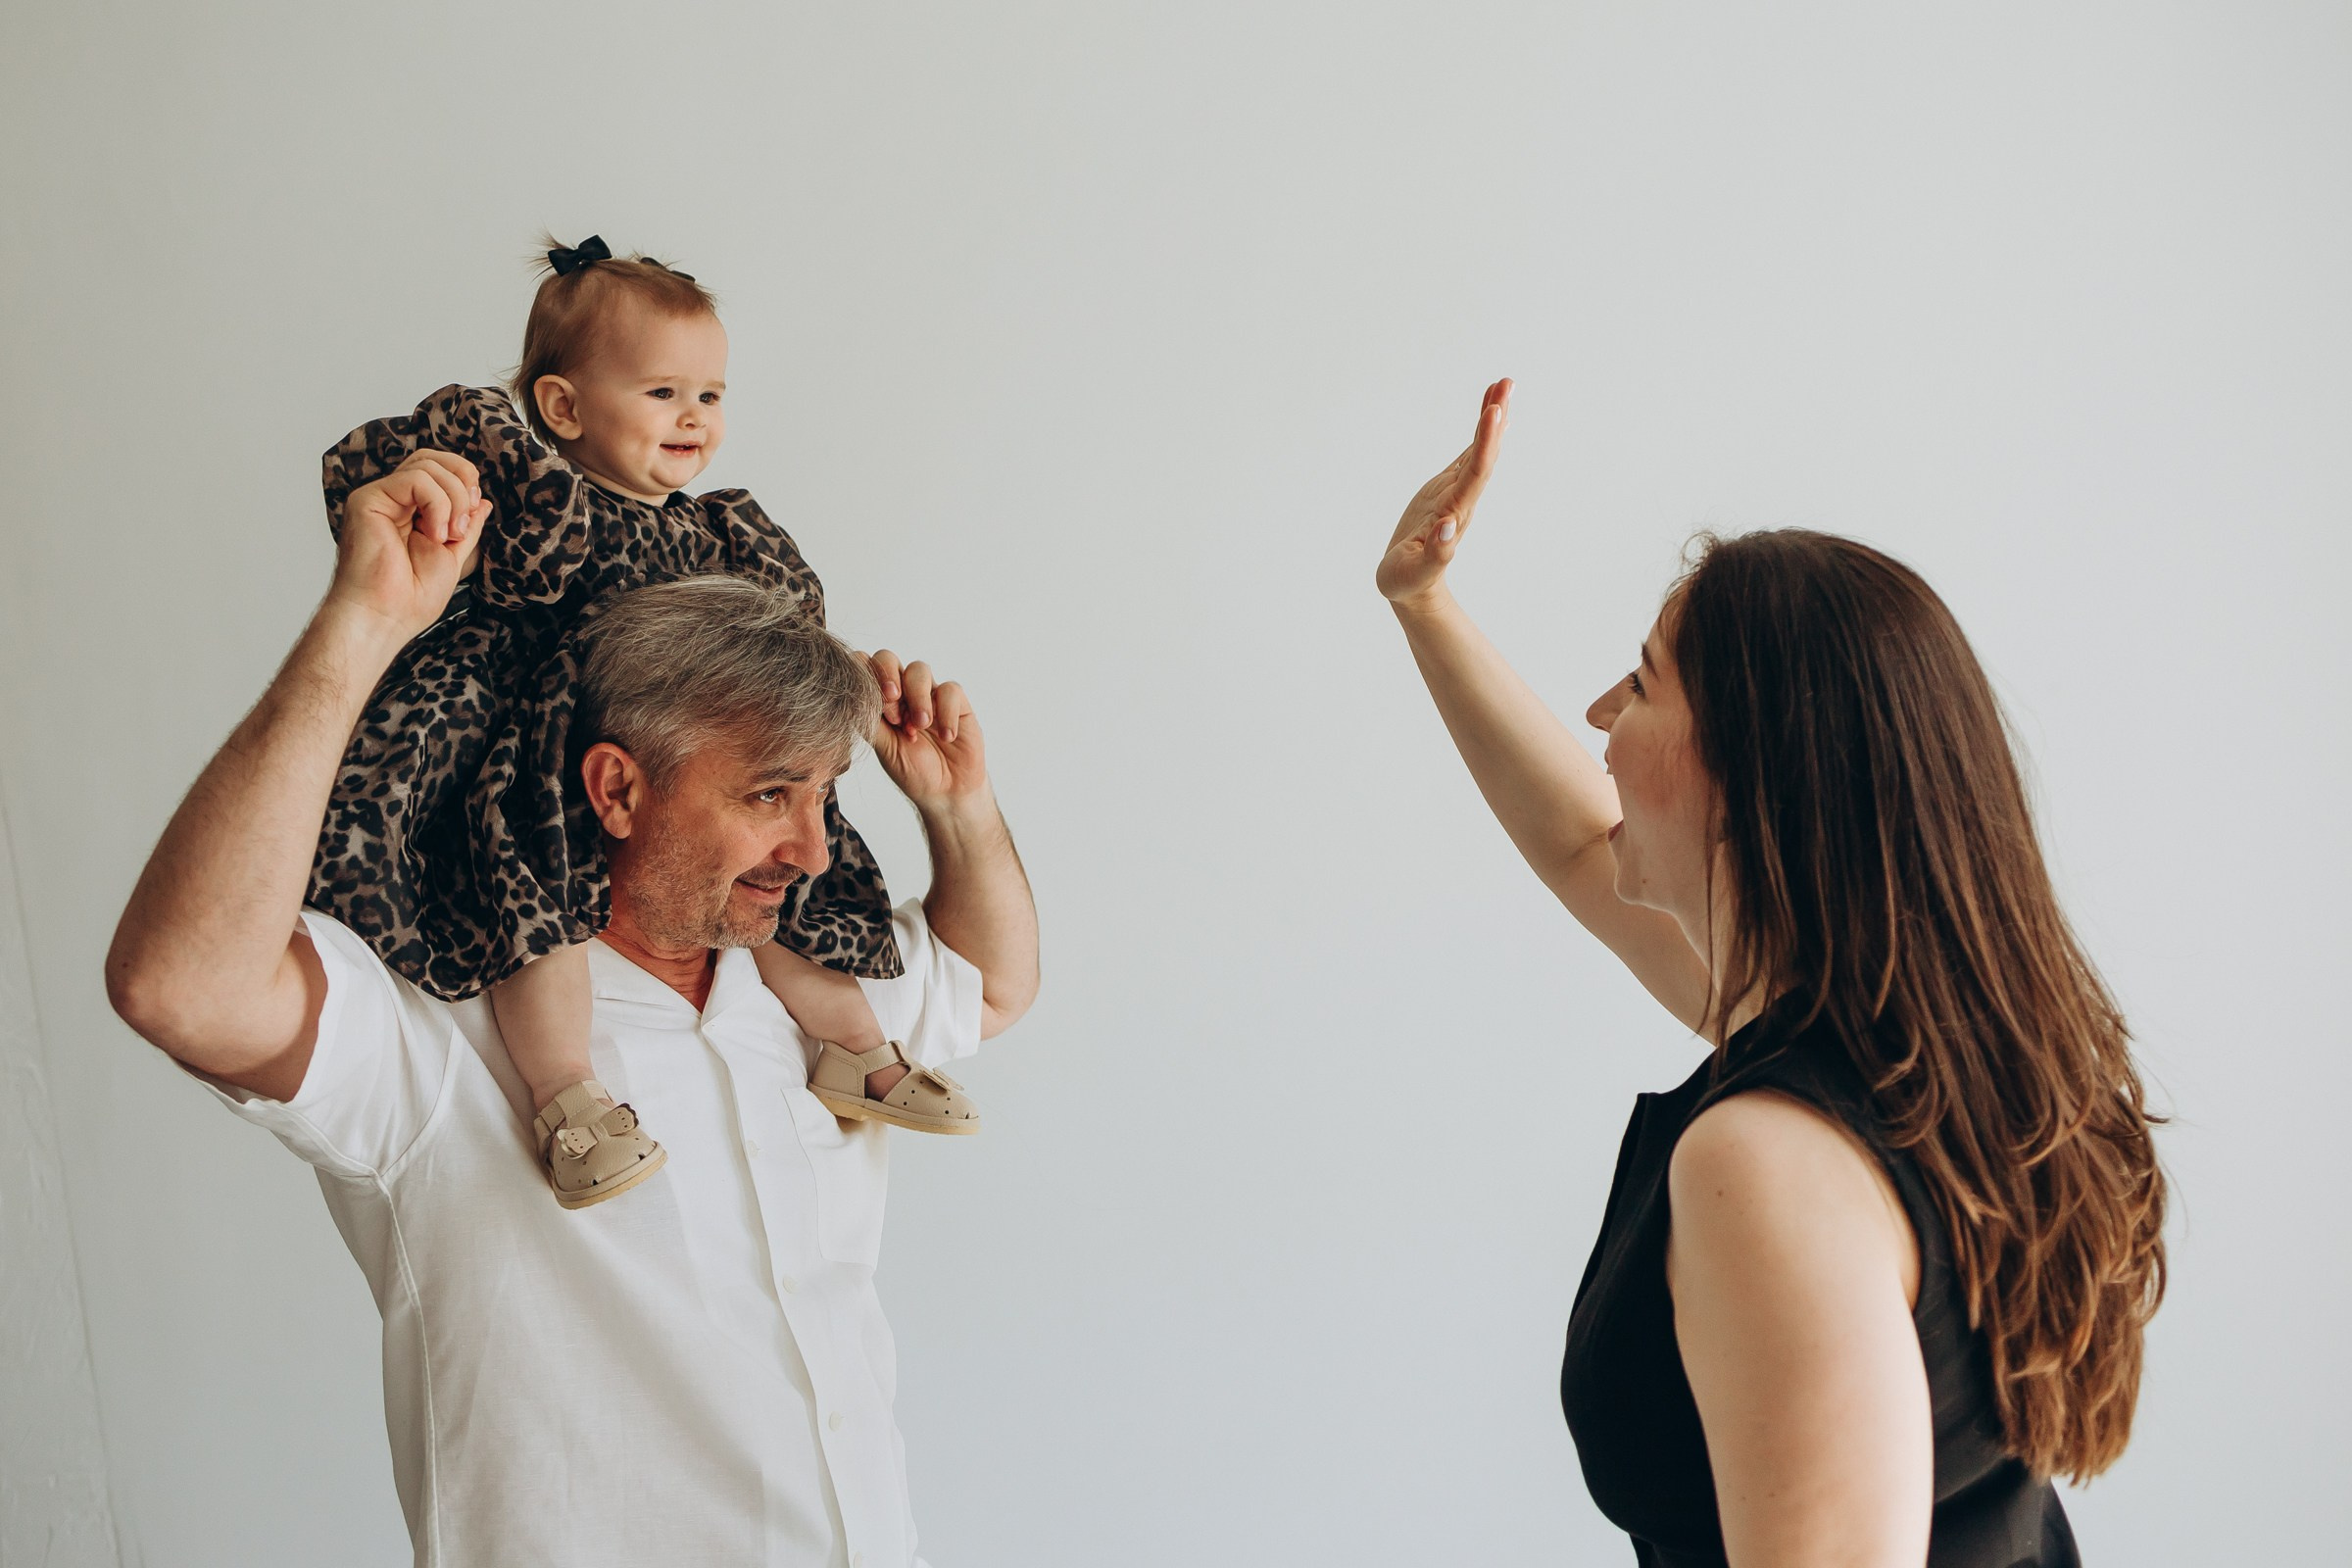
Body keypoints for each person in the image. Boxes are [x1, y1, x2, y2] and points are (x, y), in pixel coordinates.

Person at [105, 452, 1040, 1566]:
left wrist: (961, 809)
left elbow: (989, 982)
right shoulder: (438, 1033)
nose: (814, 849)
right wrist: (360, 627)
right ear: (616, 789)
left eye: (825, 793)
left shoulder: (809, 998)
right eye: (767, 796)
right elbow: (180, 984)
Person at [1377, 381, 2166, 1567]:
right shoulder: (1893, 1044)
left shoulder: (1769, 1162)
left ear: (1750, 775)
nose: (1600, 712)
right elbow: (1582, 846)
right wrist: (1422, 603)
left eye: (1640, 682)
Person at [312, 233, 981, 1215]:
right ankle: (566, 1097)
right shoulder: (541, 507)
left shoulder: (718, 533)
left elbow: (777, 630)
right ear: (563, 408)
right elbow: (403, 486)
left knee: (789, 885)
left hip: (687, 768)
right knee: (535, 921)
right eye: (664, 393)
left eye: (710, 396)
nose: (694, 419)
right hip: (546, 751)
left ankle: (861, 1052)